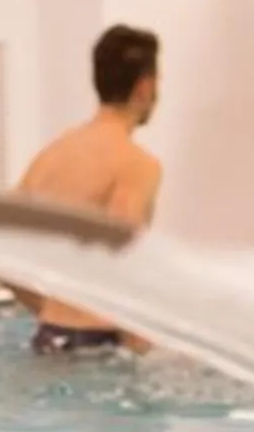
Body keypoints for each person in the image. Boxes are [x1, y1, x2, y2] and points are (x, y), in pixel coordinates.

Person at [12, 23, 164, 354]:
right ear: (145, 87)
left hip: (49, 339)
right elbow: (122, 259)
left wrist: (50, 311)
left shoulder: (51, 156)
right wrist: (141, 346)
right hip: (100, 344)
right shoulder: (136, 164)